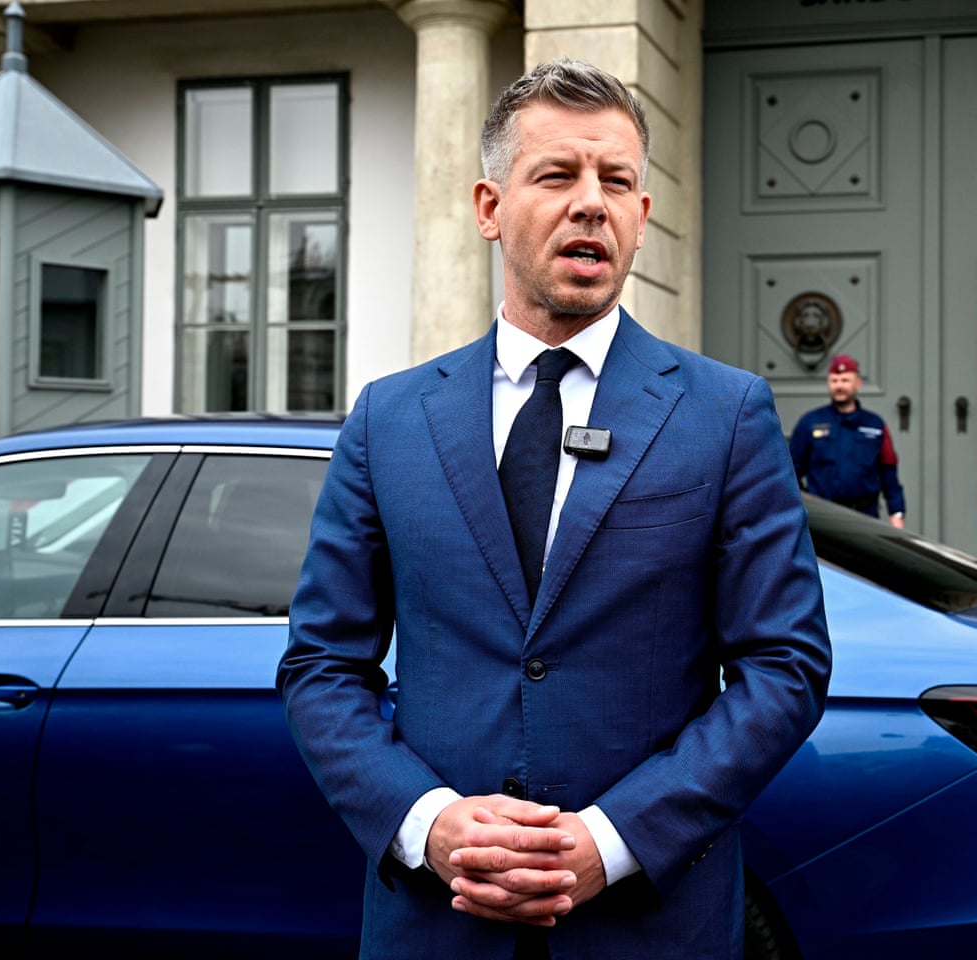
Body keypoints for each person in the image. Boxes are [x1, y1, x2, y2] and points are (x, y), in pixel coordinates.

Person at [277, 59, 831, 960]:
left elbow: (786, 665)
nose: (591, 203)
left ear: (642, 220)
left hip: (647, 926)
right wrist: (430, 824)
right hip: (437, 924)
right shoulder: (390, 416)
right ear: (490, 207)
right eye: (557, 175)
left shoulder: (724, 414)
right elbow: (321, 665)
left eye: (616, 181)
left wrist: (612, 841)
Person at [787, 354, 906, 526]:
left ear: (858, 383)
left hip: (865, 516)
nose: (839, 386)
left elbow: (888, 472)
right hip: (822, 517)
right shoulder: (810, 422)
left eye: (845, 380)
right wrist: (803, 502)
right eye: (834, 381)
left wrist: (897, 512)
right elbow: (791, 470)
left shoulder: (875, 425)